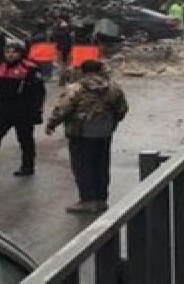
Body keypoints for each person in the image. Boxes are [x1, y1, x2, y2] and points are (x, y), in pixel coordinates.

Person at [46, 59, 130, 214]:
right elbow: (122, 108)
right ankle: (101, 199)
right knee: (101, 164)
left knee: (82, 166)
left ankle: (87, 201)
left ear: (83, 71)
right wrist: (111, 122)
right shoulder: (113, 87)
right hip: (104, 132)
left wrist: (52, 124)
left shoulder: (76, 88)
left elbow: (64, 108)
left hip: (80, 132)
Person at [0, 43, 46, 178]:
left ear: (20, 53)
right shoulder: (1, 67)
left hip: (22, 111)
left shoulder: (30, 69)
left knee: (25, 140)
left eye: (13, 52)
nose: (10, 55)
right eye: (8, 52)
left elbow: (39, 93)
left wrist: (36, 111)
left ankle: (28, 166)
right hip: (2, 110)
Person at [50, 18, 75, 85]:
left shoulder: (56, 31)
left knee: (61, 64)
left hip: (60, 48)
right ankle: (70, 79)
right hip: (68, 48)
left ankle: (62, 80)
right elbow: (72, 39)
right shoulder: (68, 30)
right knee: (68, 64)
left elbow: (53, 38)